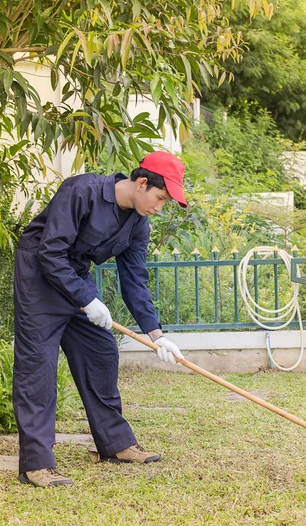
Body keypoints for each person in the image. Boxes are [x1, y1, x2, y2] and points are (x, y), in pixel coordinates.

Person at [13, 151, 186, 488]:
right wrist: (86, 299)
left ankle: (116, 444)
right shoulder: (82, 191)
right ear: (140, 183)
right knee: (38, 368)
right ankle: (36, 464)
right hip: (39, 274)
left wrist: (156, 334)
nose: (159, 207)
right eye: (160, 198)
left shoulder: (138, 222)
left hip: (75, 276)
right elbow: (50, 251)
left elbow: (135, 280)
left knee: (101, 353)